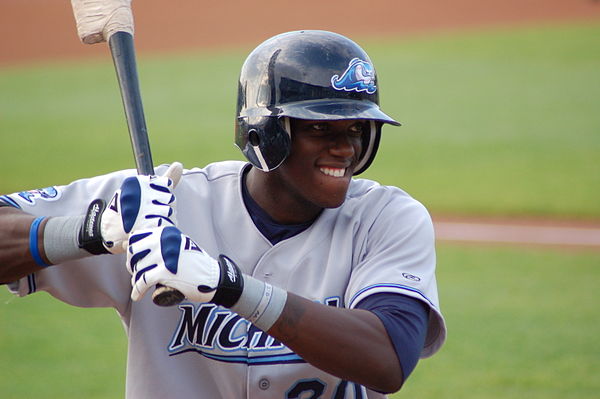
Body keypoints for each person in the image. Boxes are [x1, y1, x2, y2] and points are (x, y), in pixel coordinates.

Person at [0, 30, 446, 398]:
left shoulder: (387, 218)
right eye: (319, 128)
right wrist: (94, 230)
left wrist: (230, 287)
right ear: (265, 131)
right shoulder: (165, 202)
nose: (345, 148)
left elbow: (387, 361)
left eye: (356, 129)